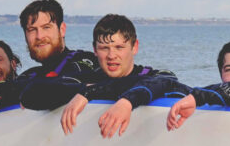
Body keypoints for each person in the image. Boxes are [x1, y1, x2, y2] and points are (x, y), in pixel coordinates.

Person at [20, 14, 187, 138]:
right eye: (104, 48)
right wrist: (83, 90)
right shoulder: (88, 78)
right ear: (94, 50)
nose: (111, 55)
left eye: (119, 47)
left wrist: (124, 101)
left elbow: (165, 82)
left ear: (134, 47)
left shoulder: (157, 76)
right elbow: (32, 92)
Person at [0, 0, 98, 113]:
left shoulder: (85, 60)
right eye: (32, 30)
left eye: (46, 27)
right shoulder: (30, 75)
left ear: (62, 29)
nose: (39, 36)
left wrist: (3, 89)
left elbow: (60, 86)